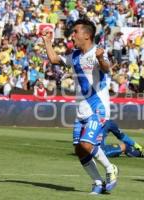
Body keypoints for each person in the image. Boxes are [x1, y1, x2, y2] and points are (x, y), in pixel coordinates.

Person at [41, 18, 118, 195]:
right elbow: (53, 58)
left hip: (98, 107)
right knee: (79, 149)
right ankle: (98, 182)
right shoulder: (74, 56)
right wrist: (47, 42)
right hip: (82, 109)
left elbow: (106, 69)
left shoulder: (97, 52)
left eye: (75, 32)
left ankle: (110, 168)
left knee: (85, 144)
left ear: (87, 35)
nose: (72, 35)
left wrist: (100, 58)